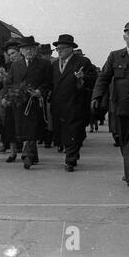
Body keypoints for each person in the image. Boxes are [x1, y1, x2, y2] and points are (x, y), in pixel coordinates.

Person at [91, 20, 129, 189]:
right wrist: (96, 96)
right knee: (125, 142)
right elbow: (103, 78)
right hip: (121, 107)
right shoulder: (114, 56)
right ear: (124, 36)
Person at [50, 35, 97, 172]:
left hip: (76, 102)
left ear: (71, 48)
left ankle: (70, 159)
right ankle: (72, 152)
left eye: (62, 48)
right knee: (63, 131)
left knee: (74, 130)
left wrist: (83, 78)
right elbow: (50, 83)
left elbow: (93, 79)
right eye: (57, 49)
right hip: (58, 103)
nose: (59, 51)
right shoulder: (54, 65)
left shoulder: (82, 62)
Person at [4, 36, 52, 170]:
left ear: (36, 50)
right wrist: (10, 95)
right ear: (21, 51)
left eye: (31, 48)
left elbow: (48, 83)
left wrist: (39, 91)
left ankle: (28, 155)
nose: (29, 51)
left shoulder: (44, 64)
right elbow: (9, 82)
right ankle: (33, 154)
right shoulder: (16, 64)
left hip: (35, 102)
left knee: (33, 128)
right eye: (26, 49)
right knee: (24, 130)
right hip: (19, 103)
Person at [0, 39, 24, 162]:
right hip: (11, 100)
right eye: (9, 55)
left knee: (23, 127)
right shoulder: (11, 66)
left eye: (13, 53)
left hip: (23, 99)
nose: (11, 56)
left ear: (20, 52)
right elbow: (7, 83)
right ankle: (13, 152)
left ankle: (27, 151)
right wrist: (5, 97)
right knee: (10, 126)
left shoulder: (25, 64)